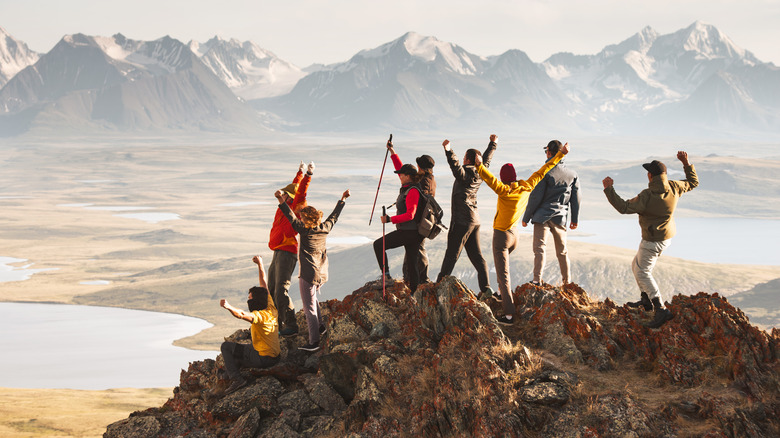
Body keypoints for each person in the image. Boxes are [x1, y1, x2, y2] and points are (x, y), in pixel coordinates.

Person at [476, 142, 570, 325]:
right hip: (514, 235)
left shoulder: (503, 191)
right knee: (500, 266)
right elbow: (544, 169)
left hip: (502, 236)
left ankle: (509, 315)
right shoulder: (526, 186)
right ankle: (499, 293)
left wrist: (479, 165)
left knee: (504, 275)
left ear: (504, 179)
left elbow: (490, 179)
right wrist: (560, 155)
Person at [602, 151, 698, 329]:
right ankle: (645, 301)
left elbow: (623, 207)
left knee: (642, 272)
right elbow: (693, 182)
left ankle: (661, 309)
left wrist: (609, 189)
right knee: (635, 265)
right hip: (666, 237)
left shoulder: (647, 195)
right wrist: (686, 162)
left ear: (650, 175)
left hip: (652, 240)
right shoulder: (674, 186)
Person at [277, 188, 350, 352]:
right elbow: (334, 216)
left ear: (306, 219)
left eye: (302, 217)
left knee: (308, 307)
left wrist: (281, 200)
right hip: (321, 272)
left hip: (308, 274)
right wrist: (343, 199)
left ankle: (314, 342)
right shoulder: (325, 228)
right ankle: (321, 326)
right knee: (313, 299)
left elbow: (290, 216)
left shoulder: (304, 231)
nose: (300, 219)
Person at [436, 135, 497, 297]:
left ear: (467, 159)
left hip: (461, 220)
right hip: (474, 220)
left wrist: (448, 151)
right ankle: (486, 289)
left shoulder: (465, 175)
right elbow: (487, 161)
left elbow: (455, 166)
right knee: (477, 256)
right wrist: (492, 144)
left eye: (464, 157)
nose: (462, 160)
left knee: (452, 254)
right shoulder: (481, 172)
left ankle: (438, 286)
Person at [522, 140, 581, 286]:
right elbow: (576, 198)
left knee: (539, 249)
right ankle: (567, 283)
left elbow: (536, 196)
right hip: (560, 217)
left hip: (541, 216)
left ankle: (537, 280)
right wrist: (575, 219)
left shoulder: (545, 171)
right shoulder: (572, 174)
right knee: (562, 251)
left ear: (549, 152)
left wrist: (526, 217)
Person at [219, 255, 281, 394]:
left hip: (264, 359)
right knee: (244, 349)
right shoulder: (270, 306)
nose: (248, 301)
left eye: (250, 298)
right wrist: (260, 264)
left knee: (227, 347)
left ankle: (237, 380)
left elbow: (241, 314)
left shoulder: (260, 316)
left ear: (255, 301)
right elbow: (263, 283)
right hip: (275, 356)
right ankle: (234, 368)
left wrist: (228, 306)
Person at [267, 161, 314, 337]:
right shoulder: (283, 206)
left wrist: (308, 175)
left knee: (281, 289)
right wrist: (299, 172)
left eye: (286, 194)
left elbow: (300, 191)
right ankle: (276, 324)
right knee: (271, 289)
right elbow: (295, 185)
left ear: (290, 197)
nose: (283, 195)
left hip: (288, 252)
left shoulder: (296, 206)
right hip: (277, 251)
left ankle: (291, 325)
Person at [373, 141, 426, 293]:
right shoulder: (409, 186)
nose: (399, 176)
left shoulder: (412, 191)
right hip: (414, 233)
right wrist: (392, 151)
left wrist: (390, 220)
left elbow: (410, 215)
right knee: (412, 264)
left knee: (378, 245)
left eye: (401, 174)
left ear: (408, 176)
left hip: (408, 232)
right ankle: (415, 293)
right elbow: (399, 167)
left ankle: (387, 275)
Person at [385, 141, 436, 285]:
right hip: (421, 223)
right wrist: (393, 153)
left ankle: (419, 280)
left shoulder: (423, 182)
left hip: (417, 223)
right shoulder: (429, 179)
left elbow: (404, 173)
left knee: (417, 250)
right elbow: (403, 171)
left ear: (421, 167)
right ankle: (414, 279)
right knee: (415, 251)